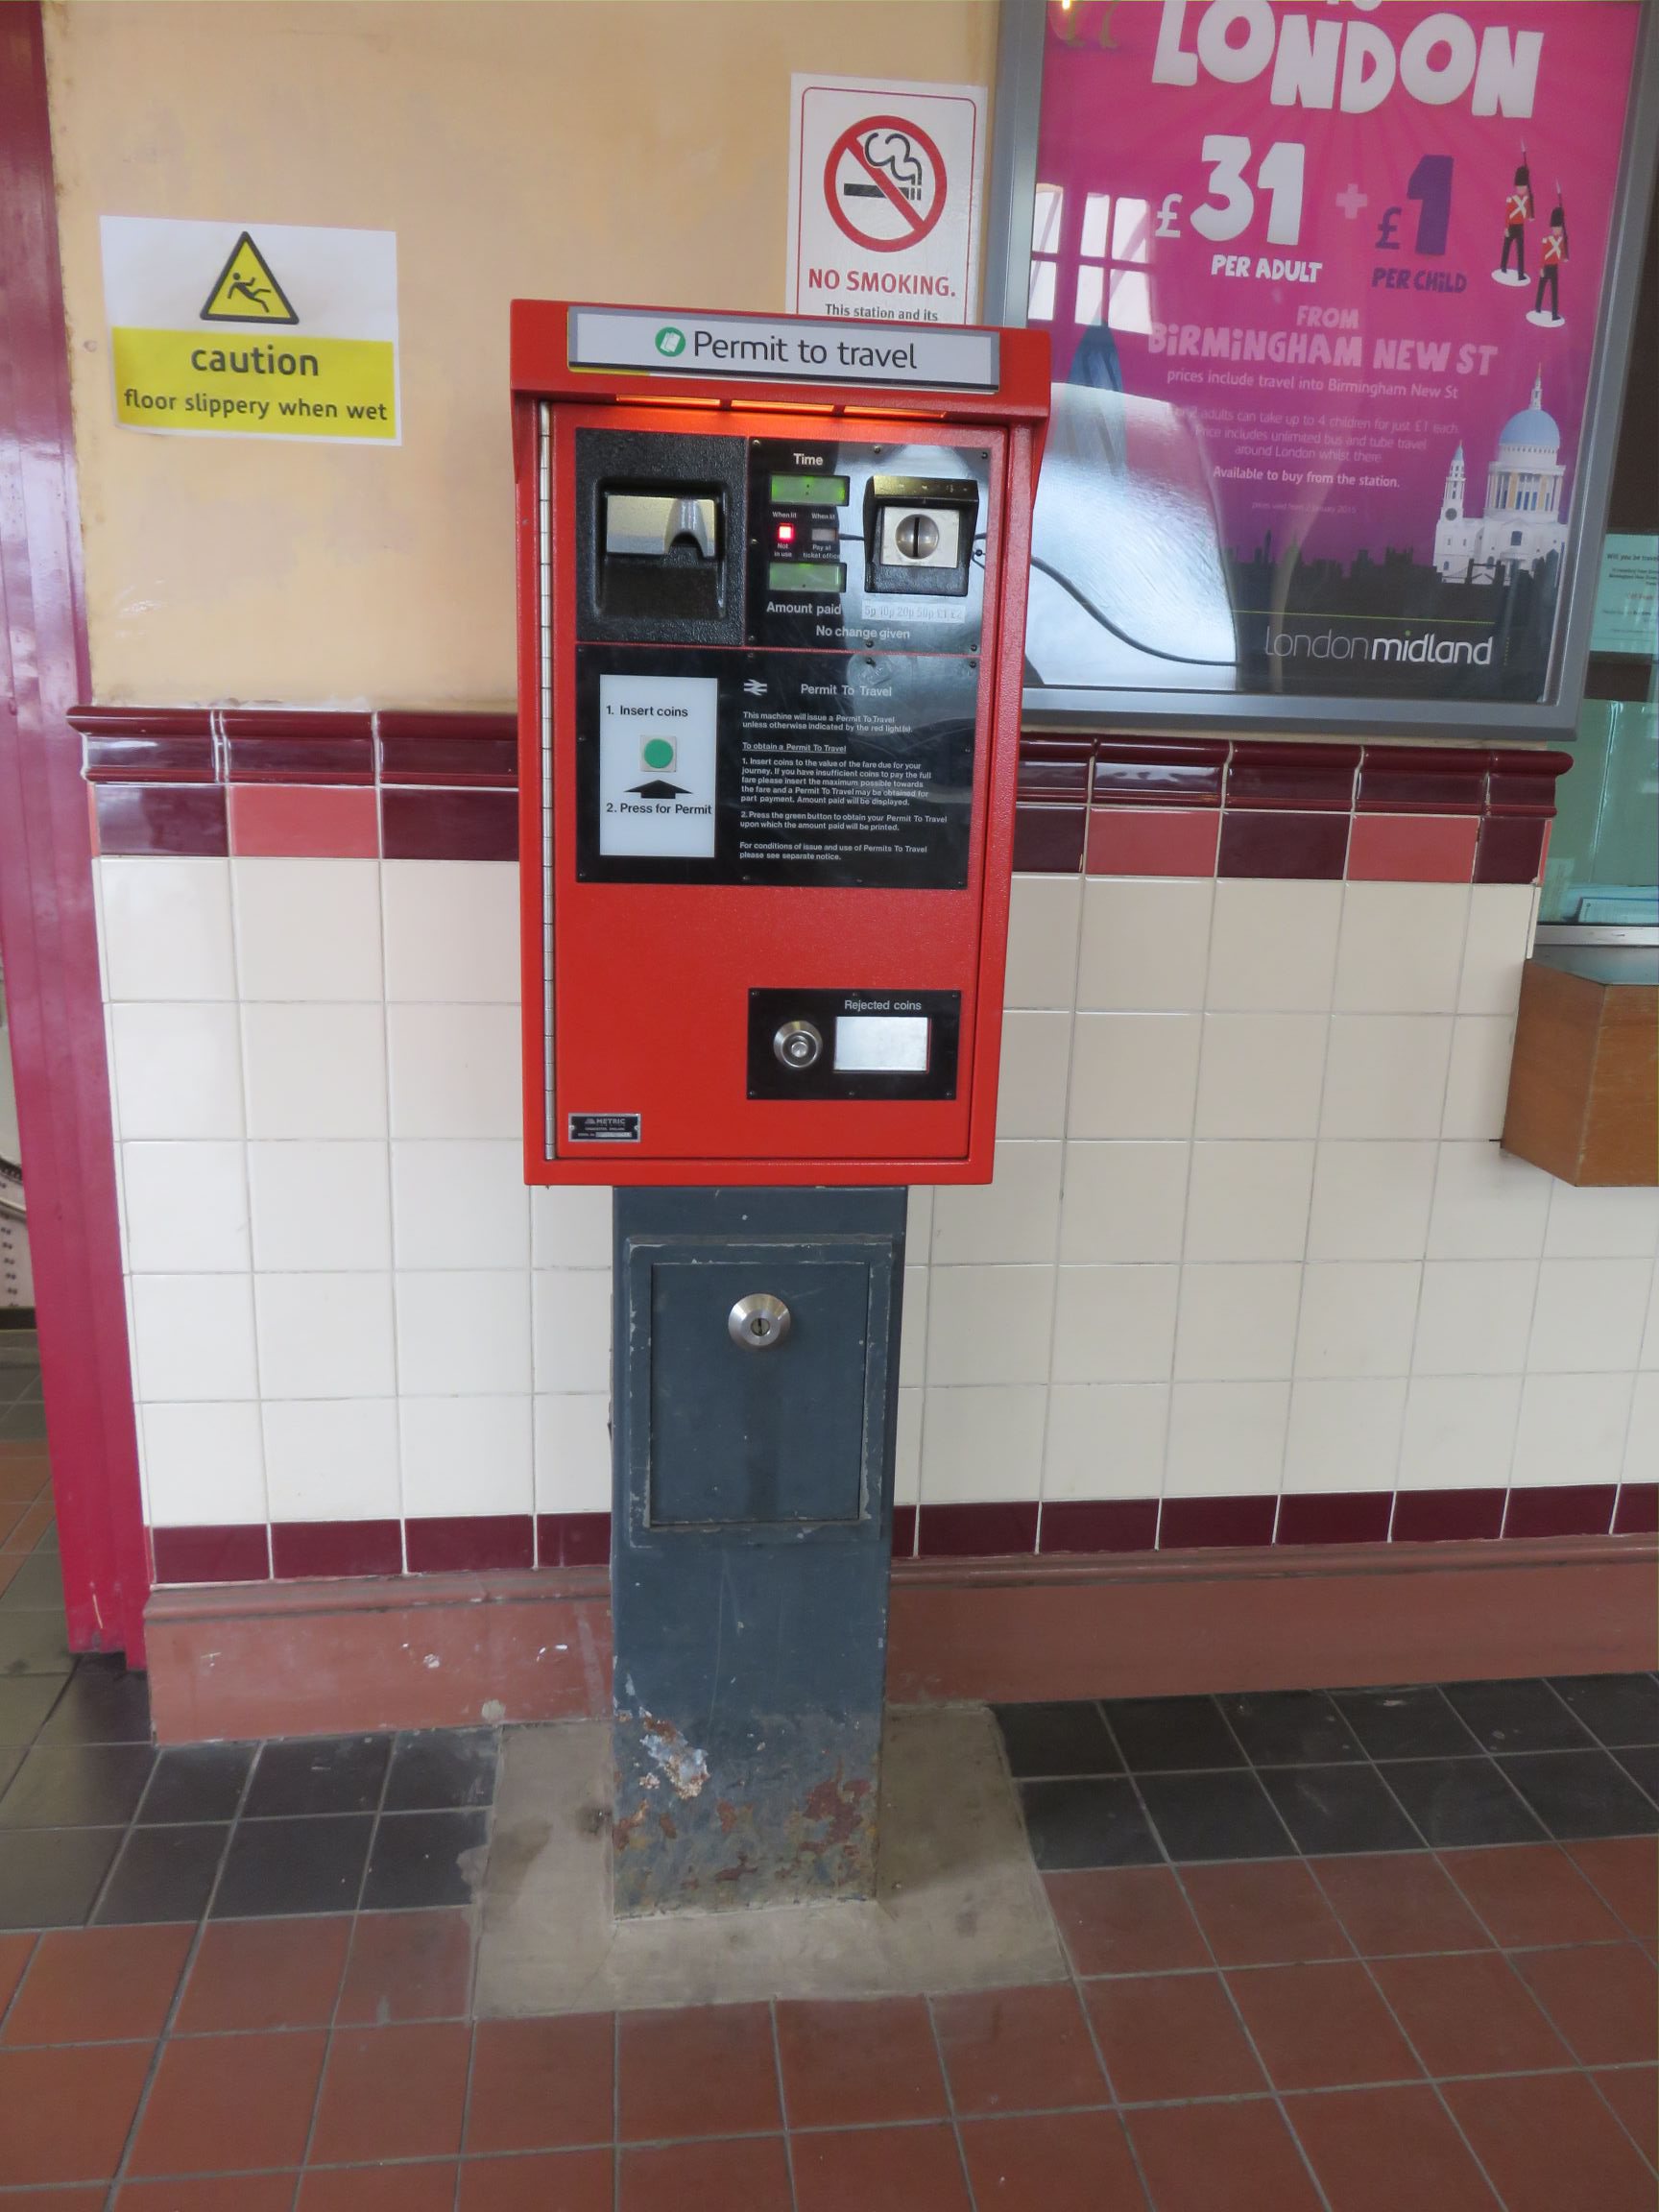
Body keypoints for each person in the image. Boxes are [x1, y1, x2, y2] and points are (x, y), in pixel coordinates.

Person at [1495, 156, 1532, 283]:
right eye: (1520, 187)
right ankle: (1503, 267)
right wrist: (1506, 227)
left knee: (1520, 251)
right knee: (1506, 248)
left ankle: (1520, 273)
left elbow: (1527, 215)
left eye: (1524, 187)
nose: (1522, 189)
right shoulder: (1512, 200)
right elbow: (1508, 215)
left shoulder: (1527, 201)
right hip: (1511, 226)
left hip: (1520, 226)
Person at [1534, 202, 1568, 324]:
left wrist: (1564, 256)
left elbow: (1562, 254)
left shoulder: (1562, 241)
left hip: (1554, 268)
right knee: (1541, 288)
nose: (1557, 230)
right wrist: (1542, 268)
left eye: (1559, 227)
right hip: (1547, 267)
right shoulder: (1547, 241)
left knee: (1554, 291)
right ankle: (1537, 307)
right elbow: (1544, 256)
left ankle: (1554, 314)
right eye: (1556, 227)